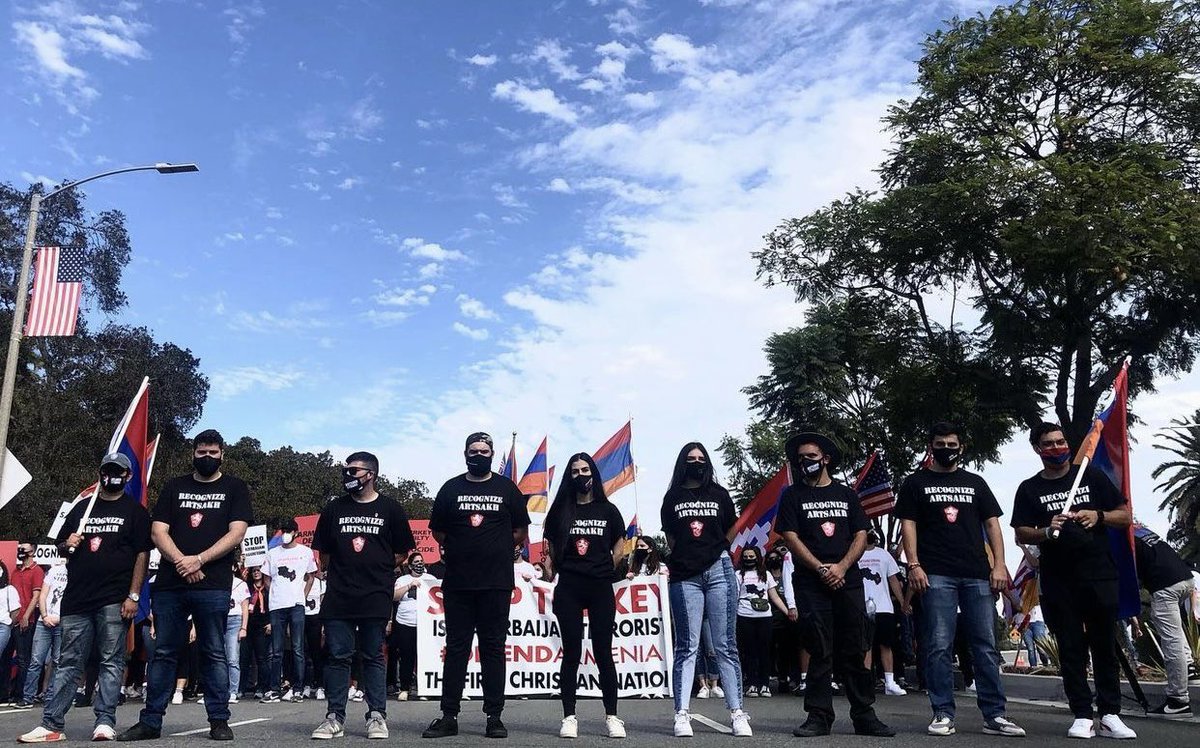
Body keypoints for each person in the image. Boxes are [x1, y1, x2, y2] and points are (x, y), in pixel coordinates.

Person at [117, 429, 252, 742]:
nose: (207, 458)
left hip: (214, 584)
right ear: (193, 453)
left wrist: (199, 560)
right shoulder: (175, 486)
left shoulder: (234, 487)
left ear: (222, 455)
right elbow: (158, 532)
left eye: (213, 453)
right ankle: (151, 721)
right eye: (202, 452)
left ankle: (219, 720)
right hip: (170, 585)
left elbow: (237, 533)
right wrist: (182, 561)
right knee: (164, 652)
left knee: (214, 652)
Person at [897, 422, 1024, 737]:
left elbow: (993, 525)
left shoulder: (976, 483)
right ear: (931, 447)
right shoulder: (915, 483)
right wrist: (913, 564)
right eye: (940, 443)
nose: (946, 449)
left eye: (952, 444)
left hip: (977, 575)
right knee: (938, 645)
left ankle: (995, 715)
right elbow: (908, 525)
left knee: (985, 646)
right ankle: (942, 713)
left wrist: (999, 567)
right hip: (936, 573)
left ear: (961, 448)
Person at [1011, 422, 1136, 740]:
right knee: (1070, 648)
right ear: (1038, 450)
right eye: (1049, 444)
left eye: (1061, 441)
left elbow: (1124, 515)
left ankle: (1110, 715)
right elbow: (1021, 531)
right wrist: (1045, 529)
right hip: (1059, 581)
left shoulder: (1090, 476)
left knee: (1104, 645)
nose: (1056, 448)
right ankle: (1082, 713)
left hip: (1099, 575)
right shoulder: (1028, 489)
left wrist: (1099, 516)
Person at [18, 452, 152, 742]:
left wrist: (134, 595)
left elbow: (143, 554)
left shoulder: (136, 512)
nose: (112, 476)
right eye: (107, 470)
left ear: (127, 476)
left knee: (111, 661)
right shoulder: (81, 508)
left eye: (118, 471)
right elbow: (60, 549)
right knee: (68, 661)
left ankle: (105, 721)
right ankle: (52, 724)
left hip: (114, 599)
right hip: (77, 599)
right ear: (100, 473)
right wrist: (68, 543)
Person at [775, 431, 893, 738]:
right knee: (819, 648)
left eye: (811, 457)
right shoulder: (792, 496)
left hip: (848, 580)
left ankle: (864, 714)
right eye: (800, 458)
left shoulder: (846, 494)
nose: (805, 463)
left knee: (855, 647)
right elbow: (789, 536)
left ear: (825, 459)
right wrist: (818, 567)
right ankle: (818, 716)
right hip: (810, 583)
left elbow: (861, 534)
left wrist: (841, 567)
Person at [422, 432, 530, 740]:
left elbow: (520, 531)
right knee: (456, 649)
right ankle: (448, 716)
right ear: (465, 453)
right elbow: (439, 532)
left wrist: (492, 548)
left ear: (492, 454)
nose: (479, 455)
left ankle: (494, 716)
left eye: (484, 451)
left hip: (496, 582)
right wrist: (466, 548)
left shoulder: (507, 488)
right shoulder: (450, 488)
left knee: (493, 649)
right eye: (474, 450)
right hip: (458, 582)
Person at [310, 452, 415, 740]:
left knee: (372, 656)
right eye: (346, 470)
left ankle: (377, 716)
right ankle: (334, 717)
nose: (347, 476)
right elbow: (325, 553)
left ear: (370, 474)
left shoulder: (391, 509)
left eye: (353, 471)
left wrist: (377, 570)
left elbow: (402, 552)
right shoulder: (334, 509)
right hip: (339, 596)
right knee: (338, 656)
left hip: (375, 595)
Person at [660, 441, 751, 738]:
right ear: (682, 462)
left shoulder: (720, 494)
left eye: (701, 458)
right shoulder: (672, 497)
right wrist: (690, 553)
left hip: (719, 570)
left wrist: (716, 548)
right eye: (691, 458)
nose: (696, 462)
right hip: (685, 575)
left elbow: (732, 527)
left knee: (725, 645)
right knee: (687, 645)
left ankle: (738, 712)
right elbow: (671, 537)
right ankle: (681, 714)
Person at [544, 452, 627, 739]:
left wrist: (604, 568)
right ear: (570, 477)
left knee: (604, 652)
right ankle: (569, 717)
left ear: (594, 473)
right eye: (575, 471)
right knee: (572, 653)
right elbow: (553, 551)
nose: (581, 475)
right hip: (569, 587)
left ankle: (612, 716)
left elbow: (620, 546)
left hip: (600, 587)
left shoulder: (608, 510)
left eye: (585, 469)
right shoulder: (559, 512)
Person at [1133, 526, 1194, 717]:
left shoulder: (1121, 538)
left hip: (1164, 584)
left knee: (1171, 641)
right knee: (1175, 631)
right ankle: (1189, 667)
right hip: (1185, 577)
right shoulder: (1139, 530)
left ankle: (1178, 701)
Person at [261, 518, 316, 703]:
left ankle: (298, 689)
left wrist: (303, 595)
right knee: (277, 650)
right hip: (277, 605)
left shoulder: (305, 552)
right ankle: (274, 689)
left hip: (297, 605)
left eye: (289, 530)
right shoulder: (272, 553)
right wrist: (275, 592)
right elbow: (266, 577)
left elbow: (310, 577)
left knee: (298, 648)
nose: (285, 533)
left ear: (296, 533)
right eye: (283, 530)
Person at [857, 530, 907, 696]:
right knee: (866, 645)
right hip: (862, 607)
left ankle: (890, 682)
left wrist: (902, 602)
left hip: (884, 607)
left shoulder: (884, 555)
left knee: (886, 644)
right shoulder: (854, 553)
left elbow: (893, 579)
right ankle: (865, 682)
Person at [19, 557, 68, 709]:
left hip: (62, 621)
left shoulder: (76, 572)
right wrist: (45, 615)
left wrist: (60, 618)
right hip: (43, 621)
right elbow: (43, 595)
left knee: (58, 661)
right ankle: (28, 697)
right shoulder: (54, 570)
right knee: (36, 661)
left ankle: (51, 696)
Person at [734, 545, 781, 698]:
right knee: (749, 652)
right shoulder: (738, 575)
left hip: (764, 616)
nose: (749, 559)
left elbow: (774, 596)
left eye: (751, 556)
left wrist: (789, 611)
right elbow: (734, 596)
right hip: (744, 615)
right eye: (746, 557)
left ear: (757, 557)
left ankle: (765, 685)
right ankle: (753, 684)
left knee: (765, 651)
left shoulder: (766, 574)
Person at [391, 553, 435, 701]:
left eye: (421, 561)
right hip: (405, 622)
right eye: (416, 562)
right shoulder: (402, 579)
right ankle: (404, 688)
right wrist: (410, 585)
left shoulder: (431, 579)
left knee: (424, 657)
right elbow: (395, 596)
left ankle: (424, 689)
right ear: (409, 566)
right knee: (406, 656)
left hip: (426, 623)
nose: (419, 564)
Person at [11, 540, 45, 707]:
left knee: (25, 658)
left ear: (32, 552)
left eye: (23, 549)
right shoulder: (15, 572)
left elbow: (36, 596)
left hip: (27, 620)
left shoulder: (37, 571)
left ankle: (22, 694)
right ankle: (10, 692)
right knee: (12, 658)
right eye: (19, 549)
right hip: (12, 620)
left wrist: (26, 616)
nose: (20, 551)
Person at [227, 563, 249, 704]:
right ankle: (217, 691)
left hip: (235, 620)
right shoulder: (217, 581)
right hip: (219, 619)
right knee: (217, 658)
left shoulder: (241, 584)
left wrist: (244, 628)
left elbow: (245, 607)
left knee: (233, 658)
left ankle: (233, 691)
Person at [303, 573, 325, 700]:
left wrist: (323, 625)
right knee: (303, 653)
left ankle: (319, 685)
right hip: (302, 617)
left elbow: (323, 602)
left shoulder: (320, 583)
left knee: (316, 653)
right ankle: (306, 684)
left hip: (316, 617)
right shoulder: (297, 580)